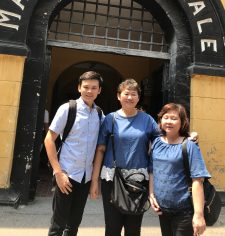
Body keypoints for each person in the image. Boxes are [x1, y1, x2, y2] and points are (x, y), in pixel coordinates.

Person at [90, 78, 161, 236]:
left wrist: (188, 137)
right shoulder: (110, 119)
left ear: (138, 97)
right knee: (112, 227)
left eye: (133, 94)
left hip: (138, 181)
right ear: (118, 96)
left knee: (133, 229)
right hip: (112, 179)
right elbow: (100, 150)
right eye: (126, 93)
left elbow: (164, 141)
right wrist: (95, 182)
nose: (130, 97)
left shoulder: (147, 120)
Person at [44, 71, 104, 236]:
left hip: (85, 178)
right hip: (67, 175)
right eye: (86, 87)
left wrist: (94, 181)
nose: (89, 91)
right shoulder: (68, 109)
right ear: (79, 88)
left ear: (99, 90)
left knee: (74, 225)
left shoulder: (99, 114)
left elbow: (100, 147)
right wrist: (58, 173)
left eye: (94, 88)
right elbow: (49, 139)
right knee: (58, 225)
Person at [149, 103, 210, 236]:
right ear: (160, 120)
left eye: (174, 118)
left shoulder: (189, 145)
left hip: (184, 210)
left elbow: (197, 180)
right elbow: (153, 170)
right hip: (163, 209)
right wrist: (151, 194)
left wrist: (199, 215)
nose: (169, 121)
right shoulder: (157, 143)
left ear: (182, 122)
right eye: (166, 117)